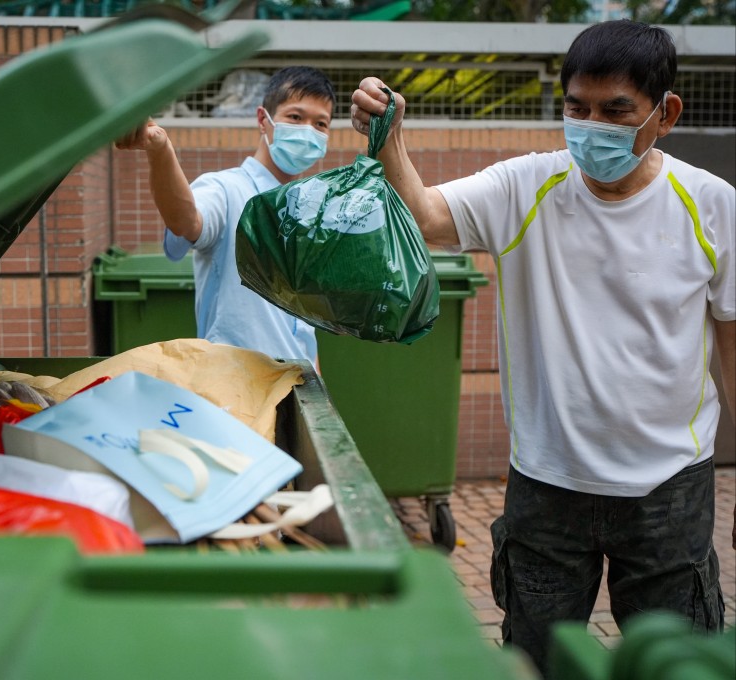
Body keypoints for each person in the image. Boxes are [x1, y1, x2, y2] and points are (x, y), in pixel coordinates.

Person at [350, 20, 735, 676]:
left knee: (678, 660)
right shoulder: (525, 186)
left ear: (664, 113)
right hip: (547, 482)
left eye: (616, 112)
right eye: (576, 109)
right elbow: (425, 215)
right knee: (534, 658)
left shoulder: (711, 205)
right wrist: (391, 137)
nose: (592, 128)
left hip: (671, 484)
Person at [114, 66, 336, 366]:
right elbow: (186, 220)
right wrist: (161, 150)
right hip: (238, 389)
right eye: (295, 118)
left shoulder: (309, 210)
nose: (308, 131)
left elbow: (303, 323)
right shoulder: (226, 189)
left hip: (299, 390)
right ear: (263, 120)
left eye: (320, 124)